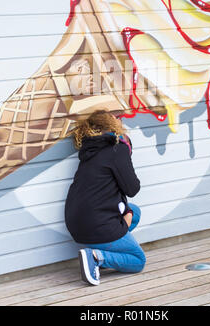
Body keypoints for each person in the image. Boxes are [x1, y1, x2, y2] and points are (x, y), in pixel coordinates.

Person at [64, 109, 146, 286]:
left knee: (135, 212)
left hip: (77, 224)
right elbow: (132, 188)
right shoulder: (117, 149)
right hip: (98, 224)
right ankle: (97, 257)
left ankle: (100, 249)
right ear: (112, 125)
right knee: (138, 260)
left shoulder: (90, 150)